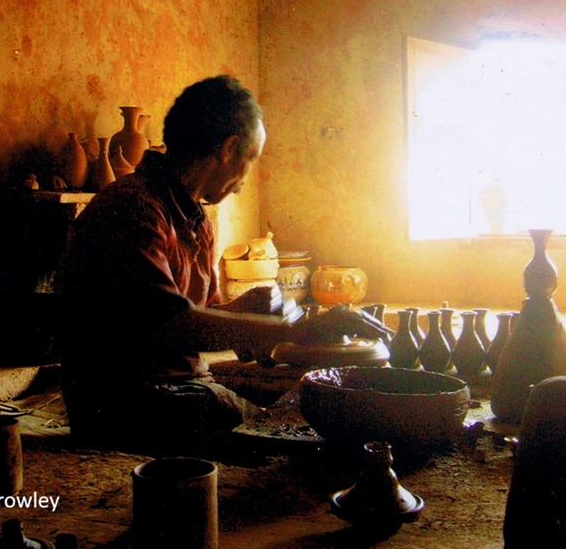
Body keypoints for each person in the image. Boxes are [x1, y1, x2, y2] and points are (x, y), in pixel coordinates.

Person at [54, 75, 388, 456]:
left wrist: (248, 309)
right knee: (295, 441)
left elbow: (204, 315)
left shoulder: (195, 218)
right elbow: (172, 325)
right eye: (250, 161)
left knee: (297, 417)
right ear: (229, 148)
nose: (246, 180)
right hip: (122, 404)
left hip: (176, 390)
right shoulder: (132, 209)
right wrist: (299, 329)